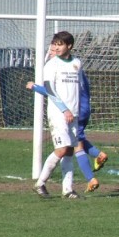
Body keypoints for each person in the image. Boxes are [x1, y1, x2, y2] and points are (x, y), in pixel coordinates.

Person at [29, 68, 109, 193]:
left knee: (73, 147)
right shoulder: (78, 71)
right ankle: (68, 189)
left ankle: (91, 179)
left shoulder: (65, 72)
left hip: (73, 112)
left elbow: (55, 93)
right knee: (75, 142)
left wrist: (35, 87)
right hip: (84, 109)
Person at [26, 31, 83, 199]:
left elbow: (76, 90)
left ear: (69, 46)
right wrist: (64, 110)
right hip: (58, 113)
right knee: (62, 148)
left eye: (60, 44)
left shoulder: (77, 63)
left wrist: (75, 110)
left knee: (70, 151)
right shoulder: (51, 65)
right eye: (54, 44)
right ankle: (40, 183)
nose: (56, 47)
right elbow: (50, 90)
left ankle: (67, 190)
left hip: (74, 113)